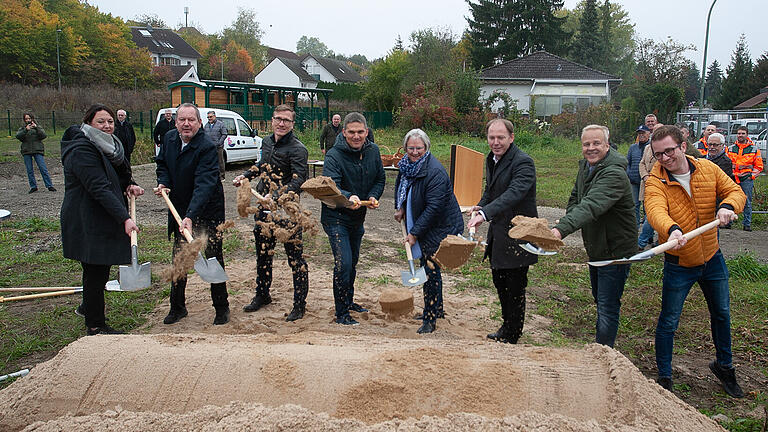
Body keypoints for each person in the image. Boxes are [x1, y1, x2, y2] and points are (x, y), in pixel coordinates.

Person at [645, 125, 746, 398]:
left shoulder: (707, 168)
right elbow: (654, 209)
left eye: (669, 151)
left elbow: (736, 192)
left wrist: (727, 207)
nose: (664, 159)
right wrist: (672, 229)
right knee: (669, 321)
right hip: (680, 262)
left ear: (682, 146)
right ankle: (664, 377)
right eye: (658, 154)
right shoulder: (656, 180)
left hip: (713, 258)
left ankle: (724, 366)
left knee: (722, 314)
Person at [60, 104, 144, 335]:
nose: (107, 126)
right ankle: (95, 325)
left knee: (100, 267)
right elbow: (99, 187)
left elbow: (116, 174)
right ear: (88, 123)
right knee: (95, 269)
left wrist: (130, 183)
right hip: (86, 217)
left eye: (110, 122)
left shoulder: (108, 145)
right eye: (101, 122)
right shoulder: (81, 149)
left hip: (101, 215)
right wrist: (125, 218)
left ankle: (88, 306)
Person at [552, 125, 637, 348]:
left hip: (615, 251)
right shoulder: (587, 167)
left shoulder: (614, 174)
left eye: (596, 143)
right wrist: (569, 218)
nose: (591, 148)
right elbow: (576, 200)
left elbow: (590, 206)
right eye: (586, 144)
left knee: (607, 307)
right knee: (600, 301)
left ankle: (603, 353)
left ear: (607, 145)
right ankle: (603, 347)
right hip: (597, 246)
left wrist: (560, 230)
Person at [155, 103, 229, 326]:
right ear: (176, 121)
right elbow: (162, 165)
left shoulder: (206, 146)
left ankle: (221, 308)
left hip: (207, 210)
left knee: (213, 257)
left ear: (199, 123)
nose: (186, 124)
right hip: (179, 208)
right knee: (180, 258)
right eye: (182, 119)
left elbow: (204, 184)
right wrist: (164, 183)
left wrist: (191, 215)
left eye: (191, 120)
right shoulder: (169, 139)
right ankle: (177, 308)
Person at [234, 104, 310, 321]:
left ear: (292, 124)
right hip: (263, 209)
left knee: (295, 260)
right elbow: (261, 166)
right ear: (273, 120)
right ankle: (262, 294)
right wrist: (246, 176)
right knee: (263, 254)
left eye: (286, 120)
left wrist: (277, 196)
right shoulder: (266, 142)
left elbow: (299, 179)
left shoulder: (298, 148)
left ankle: (299, 304)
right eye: (278, 119)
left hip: (287, 211)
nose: (282, 123)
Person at [467, 118, 537, 344]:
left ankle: (513, 334)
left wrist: (485, 213)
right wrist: (481, 205)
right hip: (499, 233)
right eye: (491, 138)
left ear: (511, 138)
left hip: (519, 234)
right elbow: (492, 190)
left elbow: (513, 193)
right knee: (500, 281)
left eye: (501, 138)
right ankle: (507, 326)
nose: (495, 142)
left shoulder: (523, 163)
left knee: (515, 286)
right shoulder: (493, 159)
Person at [394, 129, 463, 334]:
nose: (415, 152)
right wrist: (401, 208)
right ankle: (437, 308)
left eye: (419, 148)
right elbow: (403, 188)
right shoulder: (407, 166)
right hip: (425, 222)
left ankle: (430, 319)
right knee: (430, 267)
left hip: (440, 225)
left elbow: (434, 208)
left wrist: (414, 234)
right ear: (405, 148)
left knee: (429, 269)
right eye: (411, 148)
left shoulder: (435, 172)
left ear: (427, 148)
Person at [322, 112, 385, 325]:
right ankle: (341, 314)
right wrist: (349, 196)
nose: (356, 136)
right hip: (335, 216)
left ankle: (348, 301)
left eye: (360, 132)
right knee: (344, 263)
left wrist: (373, 195)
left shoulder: (373, 151)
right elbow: (332, 186)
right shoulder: (334, 155)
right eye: (351, 132)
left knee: (353, 261)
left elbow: (379, 178)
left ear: (366, 132)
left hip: (358, 217)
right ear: (344, 132)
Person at [727, 126, 763, 232]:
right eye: (739, 133)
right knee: (731, 200)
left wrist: (751, 176)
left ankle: (747, 224)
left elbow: (759, 166)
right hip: (733, 178)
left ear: (747, 135)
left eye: (743, 133)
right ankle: (729, 222)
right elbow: (726, 163)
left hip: (746, 179)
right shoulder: (730, 148)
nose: (740, 135)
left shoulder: (754, 149)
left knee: (747, 202)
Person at [16, 113, 55, 193]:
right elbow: (18, 136)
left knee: (43, 168)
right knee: (29, 170)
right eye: (26, 119)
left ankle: (49, 185)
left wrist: (36, 128)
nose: (28, 120)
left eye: (29, 118)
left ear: (32, 119)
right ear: (24, 120)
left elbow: (44, 135)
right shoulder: (22, 128)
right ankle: (33, 187)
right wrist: (26, 130)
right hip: (26, 151)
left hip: (38, 150)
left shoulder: (38, 127)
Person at [627, 124, 651, 226]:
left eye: (643, 133)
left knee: (647, 206)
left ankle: (647, 230)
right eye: (639, 133)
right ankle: (635, 227)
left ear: (648, 133)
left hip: (647, 181)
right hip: (634, 181)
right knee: (635, 205)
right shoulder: (633, 147)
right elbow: (628, 162)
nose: (641, 135)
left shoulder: (651, 147)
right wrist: (628, 173)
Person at [204, 110, 229, 180]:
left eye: (211, 117)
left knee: (220, 161)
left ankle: (222, 176)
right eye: (208, 117)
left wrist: (219, 143)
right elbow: (204, 135)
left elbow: (224, 134)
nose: (209, 118)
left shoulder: (221, 124)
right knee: (210, 161)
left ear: (214, 116)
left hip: (218, 147)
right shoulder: (206, 125)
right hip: (209, 147)